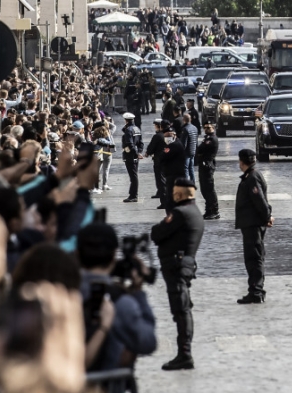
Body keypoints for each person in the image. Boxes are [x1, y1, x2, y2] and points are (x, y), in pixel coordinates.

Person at [78, 223, 157, 375]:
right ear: (114, 255)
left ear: (77, 254)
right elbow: (148, 342)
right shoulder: (121, 303)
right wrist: (138, 294)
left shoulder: (62, 294)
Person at [151, 178, 205, 371]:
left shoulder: (181, 213)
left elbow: (156, 233)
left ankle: (184, 354)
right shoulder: (195, 211)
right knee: (183, 310)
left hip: (176, 267)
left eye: (174, 193)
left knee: (181, 311)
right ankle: (184, 352)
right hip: (183, 266)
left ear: (179, 194)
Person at [235, 149, 273, 304]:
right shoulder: (252, 176)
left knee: (254, 258)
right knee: (253, 257)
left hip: (253, 225)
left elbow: (260, 200)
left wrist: (267, 217)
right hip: (251, 223)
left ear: (242, 162)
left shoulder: (252, 178)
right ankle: (255, 290)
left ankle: (256, 292)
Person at [160, 127, 187, 214]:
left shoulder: (173, 145)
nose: (166, 138)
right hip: (175, 174)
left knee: (171, 199)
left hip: (174, 175)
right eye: (165, 136)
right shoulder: (176, 144)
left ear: (174, 135)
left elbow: (162, 157)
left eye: (168, 136)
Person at [196, 123, 219, 219]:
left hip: (207, 165)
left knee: (209, 189)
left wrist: (200, 152)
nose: (206, 129)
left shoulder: (211, 139)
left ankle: (214, 211)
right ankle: (208, 210)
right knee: (204, 190)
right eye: (204, 127)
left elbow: (201, 149)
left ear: (213, 128)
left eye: (208, 128)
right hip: (203, 165)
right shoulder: (207, 138)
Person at [121, 112, 144, 202]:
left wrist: (135, 153)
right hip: (135, 155)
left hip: (130, 155)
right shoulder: (136, 129)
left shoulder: (129, 130)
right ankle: (132, 193)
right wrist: (139, 152)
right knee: (134, 175)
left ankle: (134, 195)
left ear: (126, 120)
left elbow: (130, 143)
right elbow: (141, 143)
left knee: (133, 176)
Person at [146, 119, 167, 206]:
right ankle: (161, 193)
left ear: (159, 126)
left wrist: (148, 153)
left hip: (159, 160)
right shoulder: (169, 135)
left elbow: (151, 147)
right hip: (167, 160)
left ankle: (164, 201)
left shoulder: (157, 136)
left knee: (161, 180)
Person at [180, 114, 198, 182]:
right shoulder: (194, 128)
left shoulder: (185, 129)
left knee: (185, 169)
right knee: (191, 168)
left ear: (184, 120)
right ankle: (193, 183)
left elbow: (184, 144)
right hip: (193, 151)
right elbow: (196, 141)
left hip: (186, 152)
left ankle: (186, 184)